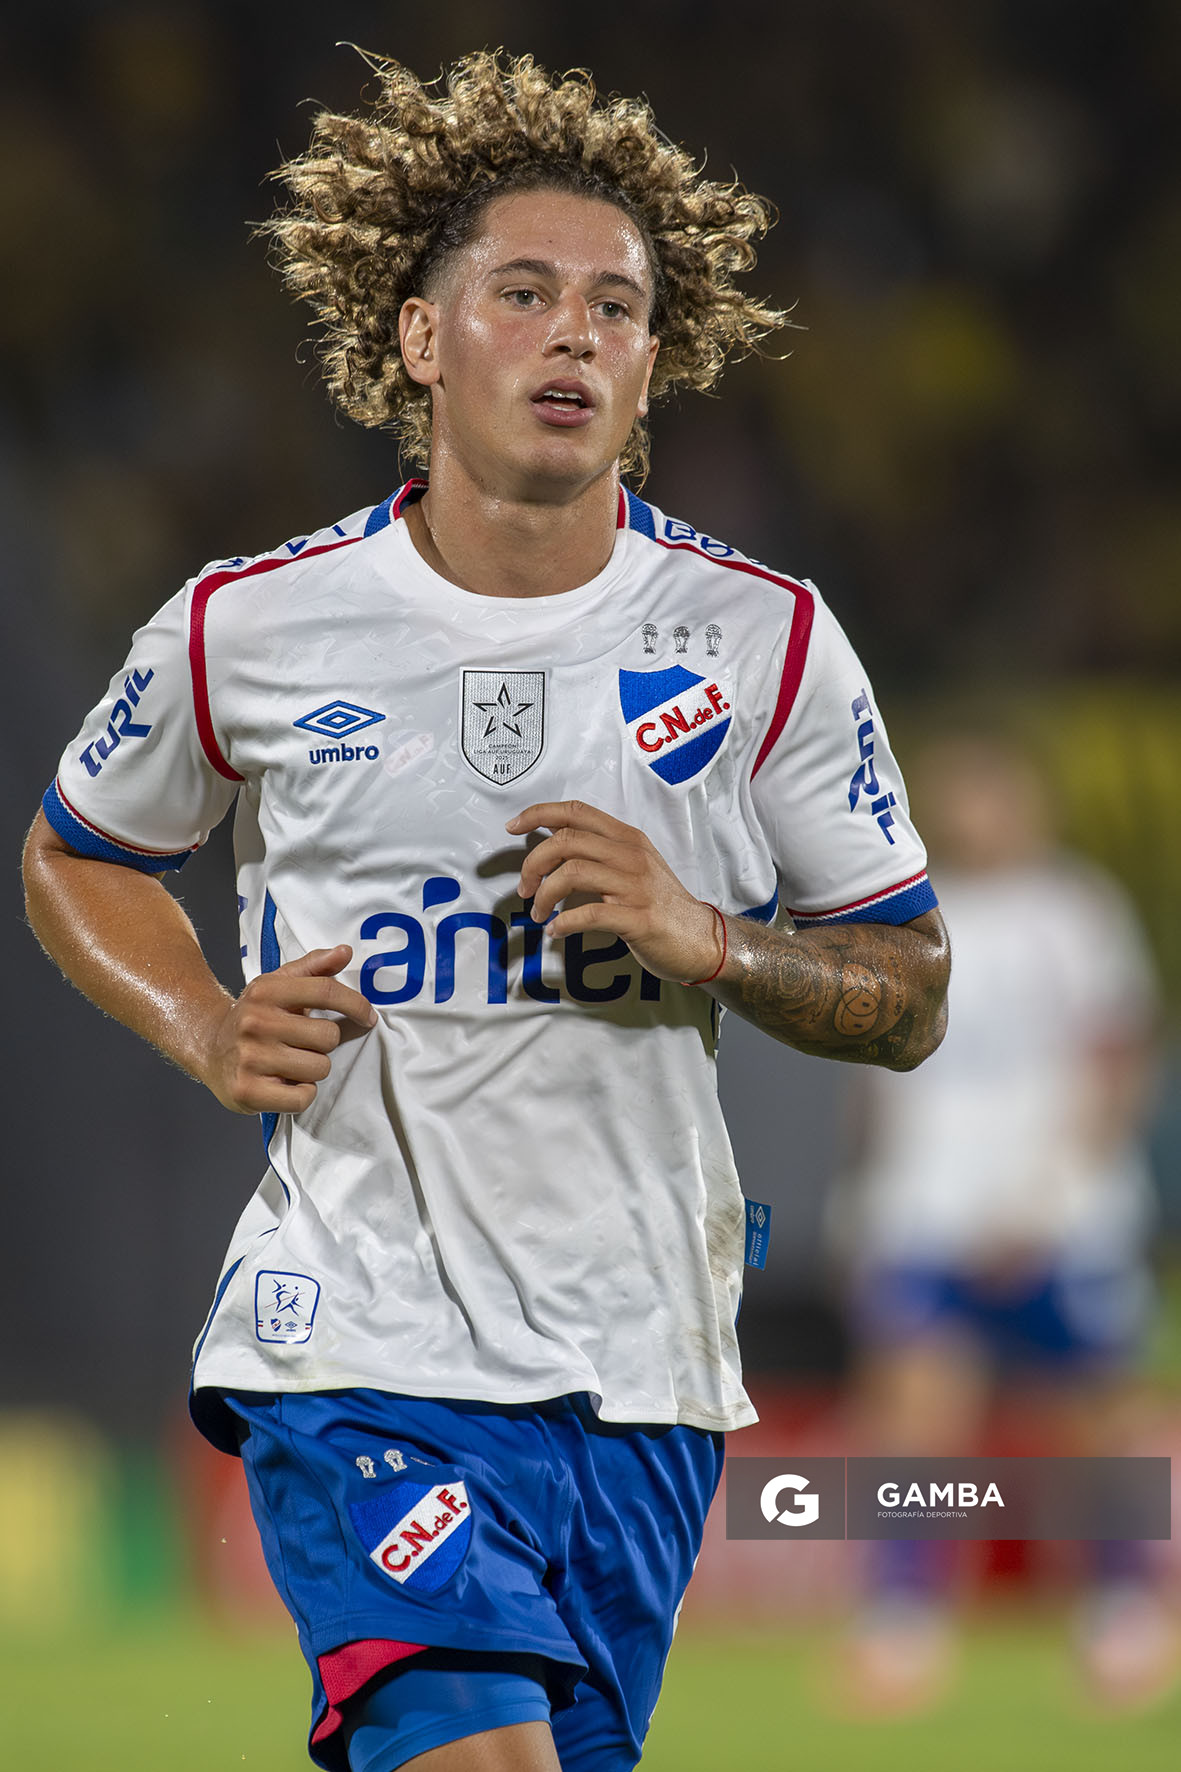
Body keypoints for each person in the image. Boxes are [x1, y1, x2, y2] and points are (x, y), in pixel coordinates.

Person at [22, 50, 949, 1772]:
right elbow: (77, 848)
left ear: (655, 361)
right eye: (521, 294)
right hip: (355, 1336)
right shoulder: (251, 625)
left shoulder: (767, 640)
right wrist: (203, 1021)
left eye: (615, 305)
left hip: (643, 1370)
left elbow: (910, 986)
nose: (575, 334)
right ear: (417, 336)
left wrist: (712, 938)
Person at [831, 734, 1169, 1712]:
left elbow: (1113, 1060)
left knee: (1092, 1415)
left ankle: (1121, 1610)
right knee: (914, 1415)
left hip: (1060, 1213)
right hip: (926, 1208)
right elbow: (876, 1080)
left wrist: (1056, 1192)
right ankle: (903, 1620)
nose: (974, 813)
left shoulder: (1074, 909)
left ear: (1028, 802)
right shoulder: (907, 922)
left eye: (992, 793)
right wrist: (864, 1200)